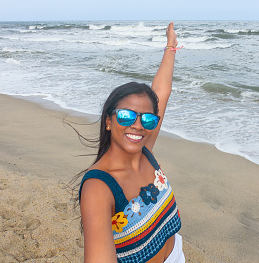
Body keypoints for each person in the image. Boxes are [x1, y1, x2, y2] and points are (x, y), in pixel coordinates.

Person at [77, 22, 184, 263]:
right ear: (108, 121)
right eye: (126, 116)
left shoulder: (145, 151)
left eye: (147, 118)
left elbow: (161, 91)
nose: (137, 125)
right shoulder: (99, 187)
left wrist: (171, 45)